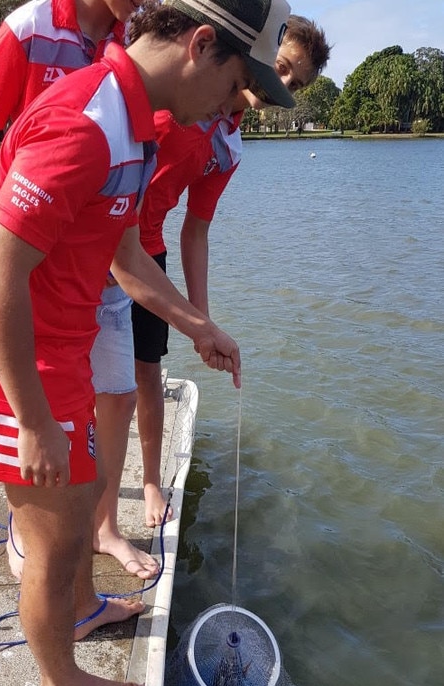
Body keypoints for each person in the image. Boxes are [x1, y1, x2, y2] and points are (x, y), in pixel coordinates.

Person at [0, 0, 294, 686]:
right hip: (22, 375)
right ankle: (60, 683)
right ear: (201, 45)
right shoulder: (87, 123)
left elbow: (126, 257)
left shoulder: (135, 126)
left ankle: (83, 607)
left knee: (81, 512)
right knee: (57, 537)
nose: (235, 105)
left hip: (65, 357)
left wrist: (199, 325)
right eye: (236, 85)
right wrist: (34, 419)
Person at [0, 0, 161, 582]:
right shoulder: (29, 28)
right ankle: (35, 530)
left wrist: (198, 318)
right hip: (45, 256)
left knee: (114, 396)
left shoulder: (138, 36)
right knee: (40, 410)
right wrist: (23, 212)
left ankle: (104, 528)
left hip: (108, 248)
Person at [129, 14, 331, 527]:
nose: (282, 84)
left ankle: (151, 480)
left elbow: (195, 230)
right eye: (281, 67)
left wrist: (204, 325)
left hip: (144, 247)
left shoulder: (229, 145)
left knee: (145, 371)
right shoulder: (183, 80)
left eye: (297, 82)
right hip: (97, 230)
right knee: (82, 371)